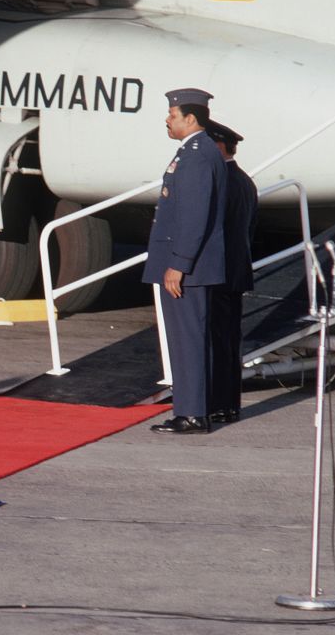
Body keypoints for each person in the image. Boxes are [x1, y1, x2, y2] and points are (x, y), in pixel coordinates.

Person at [143, 88, 228, 434]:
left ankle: (192, 413)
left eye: (172, 114)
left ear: (190, 118)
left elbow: (193, 215)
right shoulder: (198, 152)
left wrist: (179, 262)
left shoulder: (195, 156)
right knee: (188, 339)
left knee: (187, 340)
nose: (167, 119)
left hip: (187, 268)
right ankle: (194, 408)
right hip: (190, 264)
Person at [206, 120, 258, 424]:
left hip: (217, 273)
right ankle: (228, 405)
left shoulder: (219, 181)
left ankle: (215, 403)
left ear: (218, 146)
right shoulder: (244, 180)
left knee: (215, 341)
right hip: (236, 271)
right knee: (228, 341)